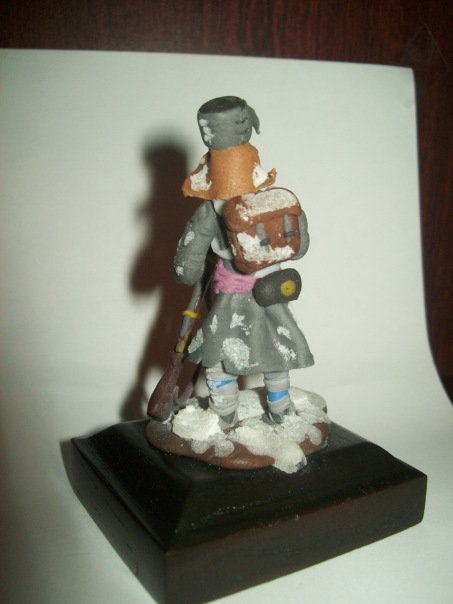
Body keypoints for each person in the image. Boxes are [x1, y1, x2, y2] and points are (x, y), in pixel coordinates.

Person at [174, 96, 314, 428]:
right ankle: (276, 407)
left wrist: (187, 270)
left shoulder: (209, 212)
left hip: (239, 298)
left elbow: (188, 262)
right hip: (267, 292)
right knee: (275, 349)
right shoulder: (274, 202)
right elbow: (300, 245)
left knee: (220, 355)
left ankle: (227, 411)